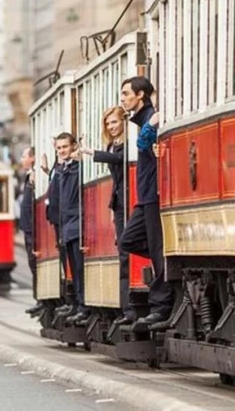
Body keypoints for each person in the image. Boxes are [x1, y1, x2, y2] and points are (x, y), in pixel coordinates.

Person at [118, 76, 174, 329]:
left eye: (126, 93)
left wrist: (151, 126)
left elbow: (144, 143)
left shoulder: (151, 116)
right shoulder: (143, 119)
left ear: (140, 95)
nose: (123, 99)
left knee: (156, 249)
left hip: (153, 194)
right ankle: (165, 269)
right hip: (146, 194)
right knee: (129, 239)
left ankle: (161, 305)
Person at [77, 107, 133, 325]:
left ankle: (130, 307)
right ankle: (125, 307)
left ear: (124, 122)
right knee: (122, 253)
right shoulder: (112, 145)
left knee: (126, 252)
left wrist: (92, 152)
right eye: (108, 124)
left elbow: (121, 160)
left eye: (114, 122)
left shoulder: (127, 145)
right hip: (119, 202)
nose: (111, 127)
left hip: (129, 200)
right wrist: (112, 207)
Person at [49, 133, 85, 324]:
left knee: (79, 267)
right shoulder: (62, 169)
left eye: (65, 147)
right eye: (59, 148)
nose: (62, 151)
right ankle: (79, 304)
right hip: (65, 225)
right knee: (73, 267)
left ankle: (82, 305)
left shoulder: (76, 168)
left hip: (75, 223)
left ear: (73, 146)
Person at [17, 148, 45, 317]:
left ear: (32, 158)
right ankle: (38, 299)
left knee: (35, 265)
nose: (22, 159)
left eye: (24, 155)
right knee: (32, 264)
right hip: (28, 228)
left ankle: (40, 299)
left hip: (32, 228)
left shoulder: (35, 176)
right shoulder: (29, 176)